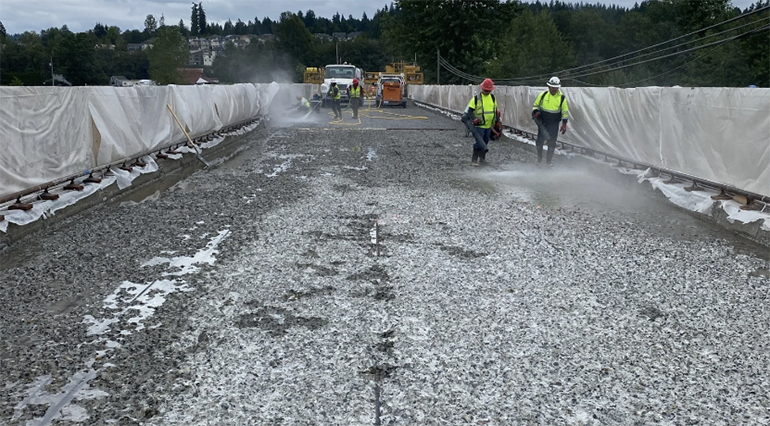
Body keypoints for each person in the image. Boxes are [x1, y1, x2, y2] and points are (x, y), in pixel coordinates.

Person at [532, 76, 570, 165]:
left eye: (556, 88)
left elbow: (565, 112)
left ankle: (548, 162)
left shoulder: (562, 98)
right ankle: (539, 159)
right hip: (543, 122)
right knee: (539, 141)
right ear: (549, 87)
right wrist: (536, 112)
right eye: (552, 88)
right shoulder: (543, 95)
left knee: (552, 142)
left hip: (554, 123)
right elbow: (535, 105)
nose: (554, 89)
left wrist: (564, 124)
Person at [462, 78, 500, 166]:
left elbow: (495, 110)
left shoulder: (493, 98)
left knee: (485, 141)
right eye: (486, 90)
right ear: (482, 88)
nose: (487, 92)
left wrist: (497, 120)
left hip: (488, 125)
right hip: (479, 125)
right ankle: (474, 160)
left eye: (489, 90)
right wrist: (474, 119)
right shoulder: (476, 99)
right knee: (479, 142)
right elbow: (470, 111)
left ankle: (482, 159)